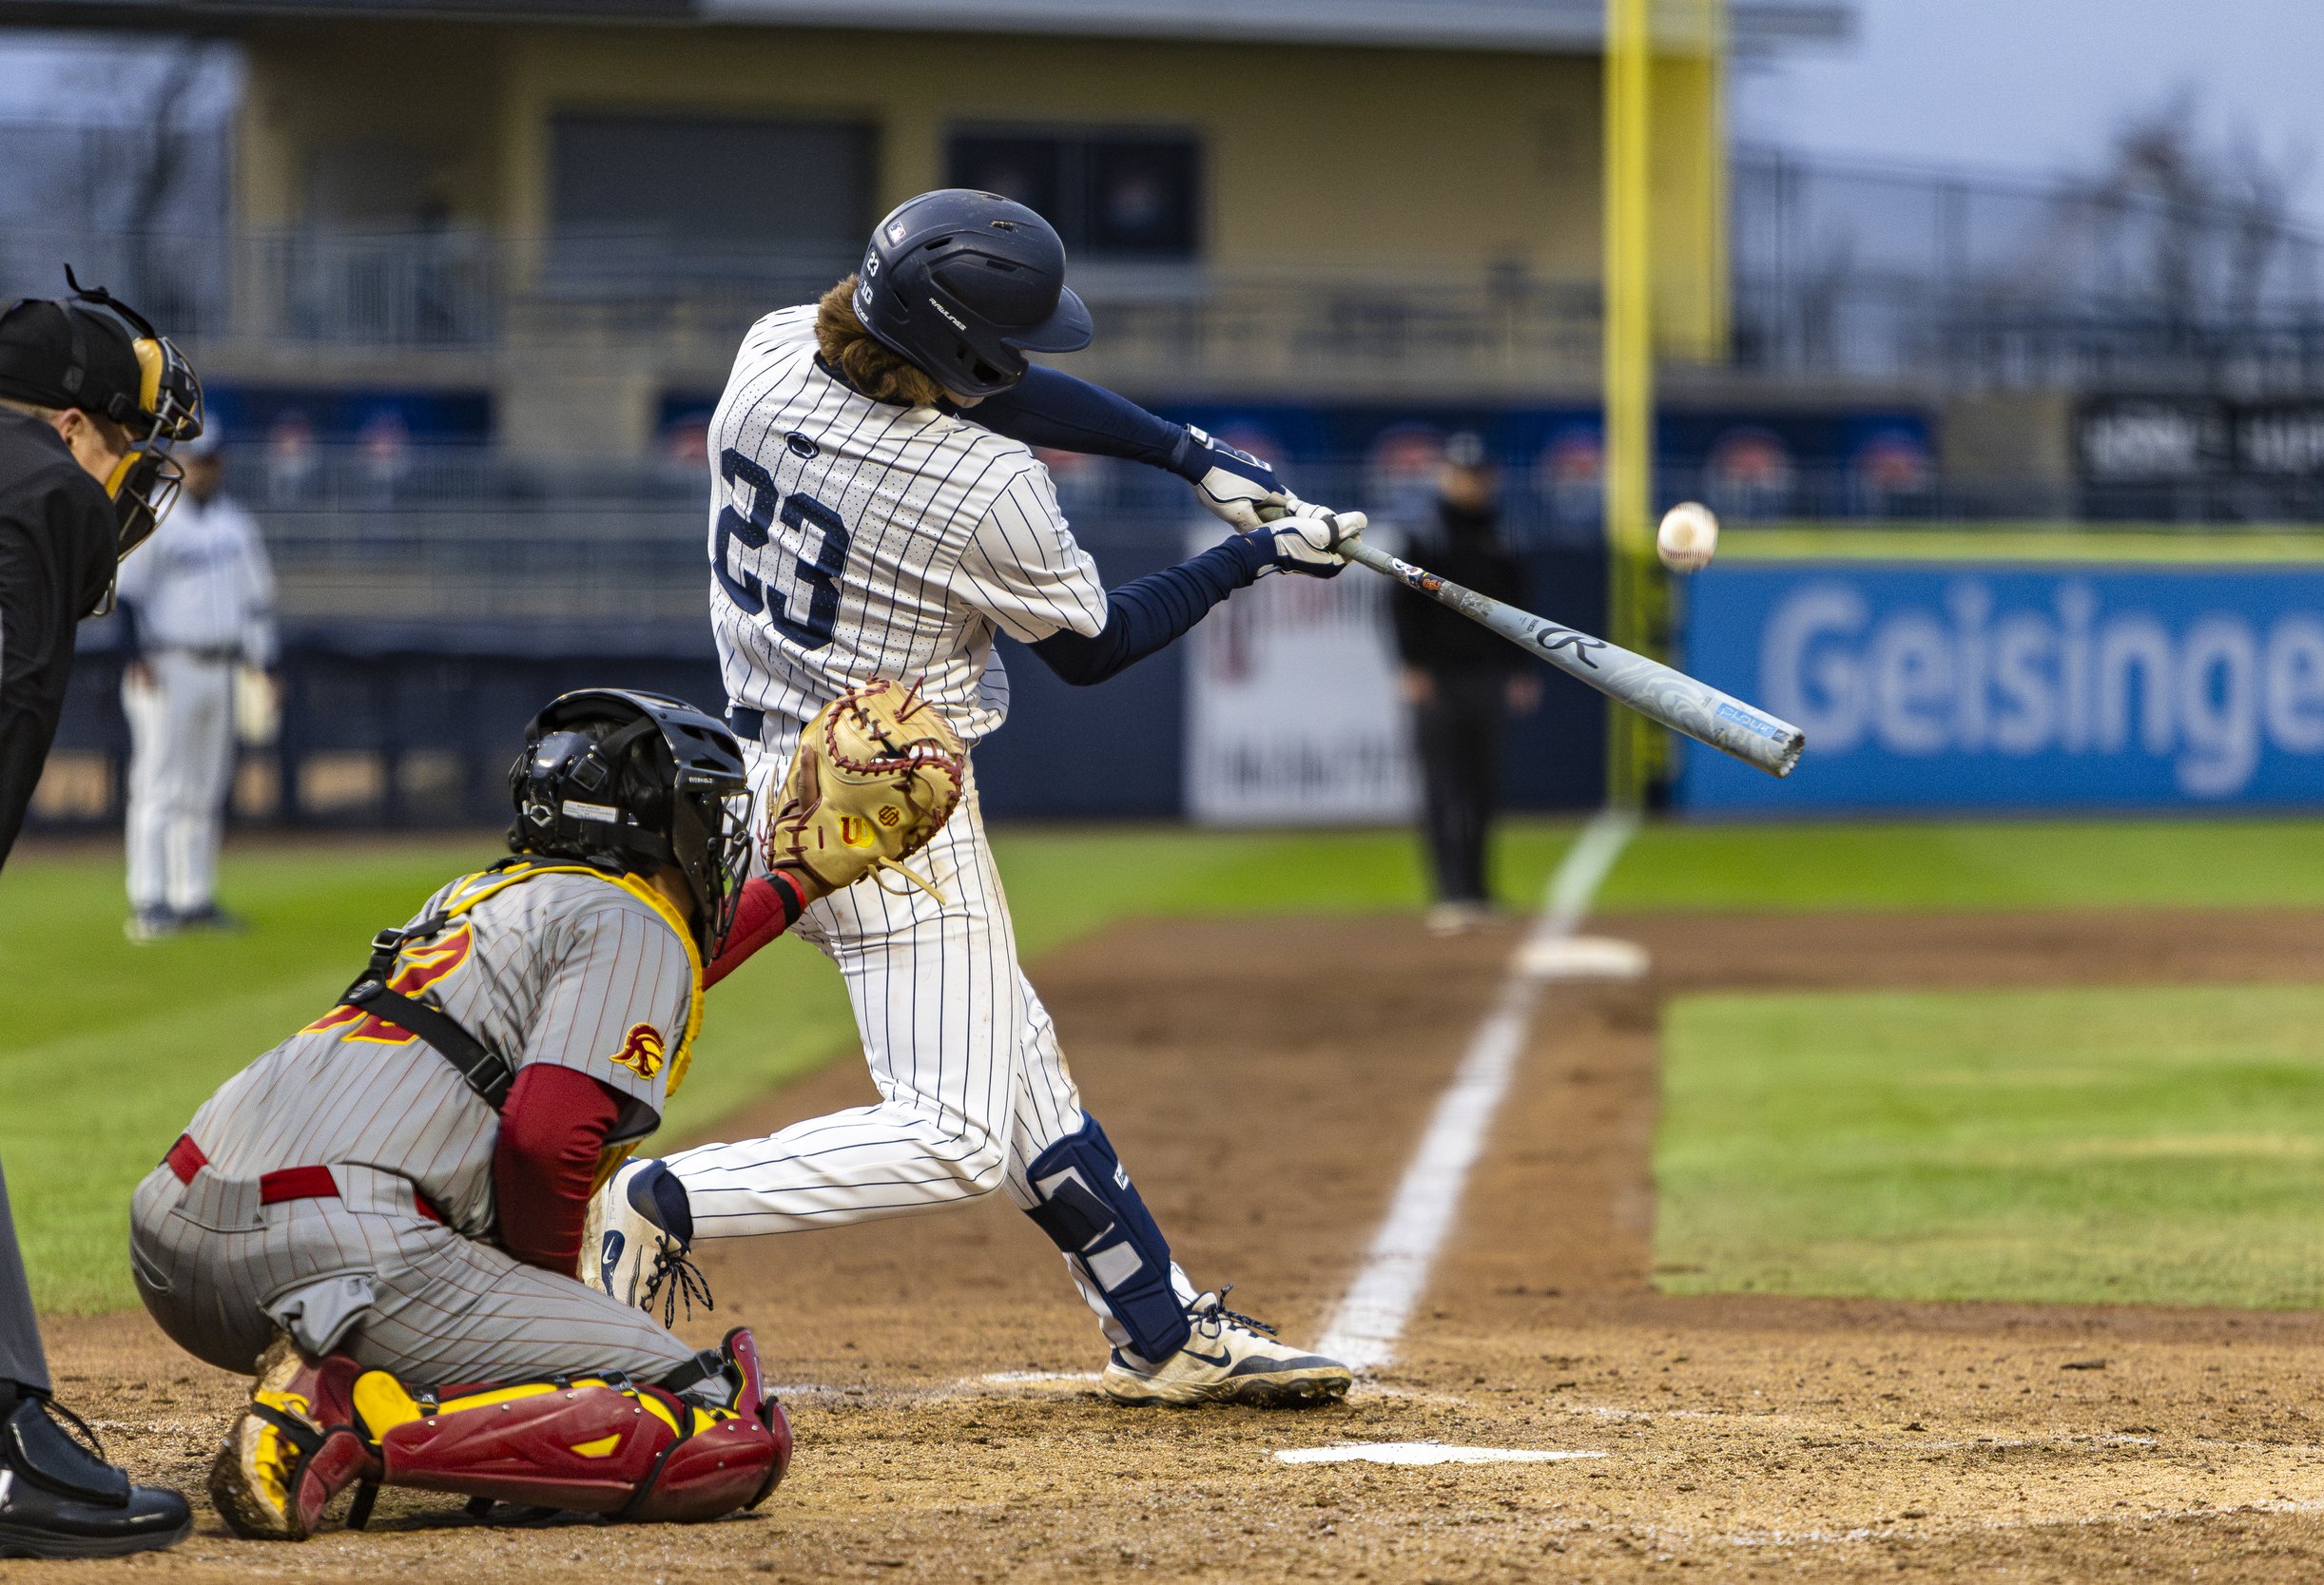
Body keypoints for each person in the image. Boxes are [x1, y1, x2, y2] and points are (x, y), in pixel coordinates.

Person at [586, 188, 1365, 1408]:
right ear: (958, 350)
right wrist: (1255, 555)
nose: (1023, 365)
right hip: (891, 804)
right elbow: (1094, 645)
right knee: (952, 1132)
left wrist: (1185, 453)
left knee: (1019, 1070)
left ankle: (1157, 1327)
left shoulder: (773, 344)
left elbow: (974, 382)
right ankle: (660, 1199)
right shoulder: (985, 484)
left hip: (752, 774)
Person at [127, 686, 952, 1540]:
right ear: (654, 818)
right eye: (703, 808)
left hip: (174, 1237)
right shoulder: (634, 921)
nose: (719, 831)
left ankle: (330, 1374)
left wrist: (796, 883)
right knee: (723, 1424)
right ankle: (341, 1420)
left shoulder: (476, 897)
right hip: (338, 1249)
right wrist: (547, 1314)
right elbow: (546, 1141)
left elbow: (635, 985)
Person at [0, 273, 201, 1559]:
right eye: (130, 442)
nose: (132, 476)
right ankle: (13, 1450)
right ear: (73, 424)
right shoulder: (43, 491)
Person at [116, 427, 278, 940]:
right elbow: (127, 597)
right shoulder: (158, 517)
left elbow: (256, 602)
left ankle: (193, 898)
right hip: (167, 665)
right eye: (196, 458)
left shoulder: (237, 524)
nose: (204, 467)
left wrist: (265, 665)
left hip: (224, 666)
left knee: (205, 789)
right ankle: (149, 900)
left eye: (211, 459)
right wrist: (134, 656)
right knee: (158, 784)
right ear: (180, 460)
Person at [1390, 434, 1540, 937]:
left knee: (1483, 790)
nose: (1471, 483)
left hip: (1487, 677)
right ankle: (1449, 894)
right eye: (1461, 473)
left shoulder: (1504, 535)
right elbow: (1399, 606)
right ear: (1444, 477)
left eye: (1478, 475)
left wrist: (1521, 671)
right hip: (1438, 678)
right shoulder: (1425, 534)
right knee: (1441, 788)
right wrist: (1411, 666)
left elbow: (1521, 611)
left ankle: (1478, 891)